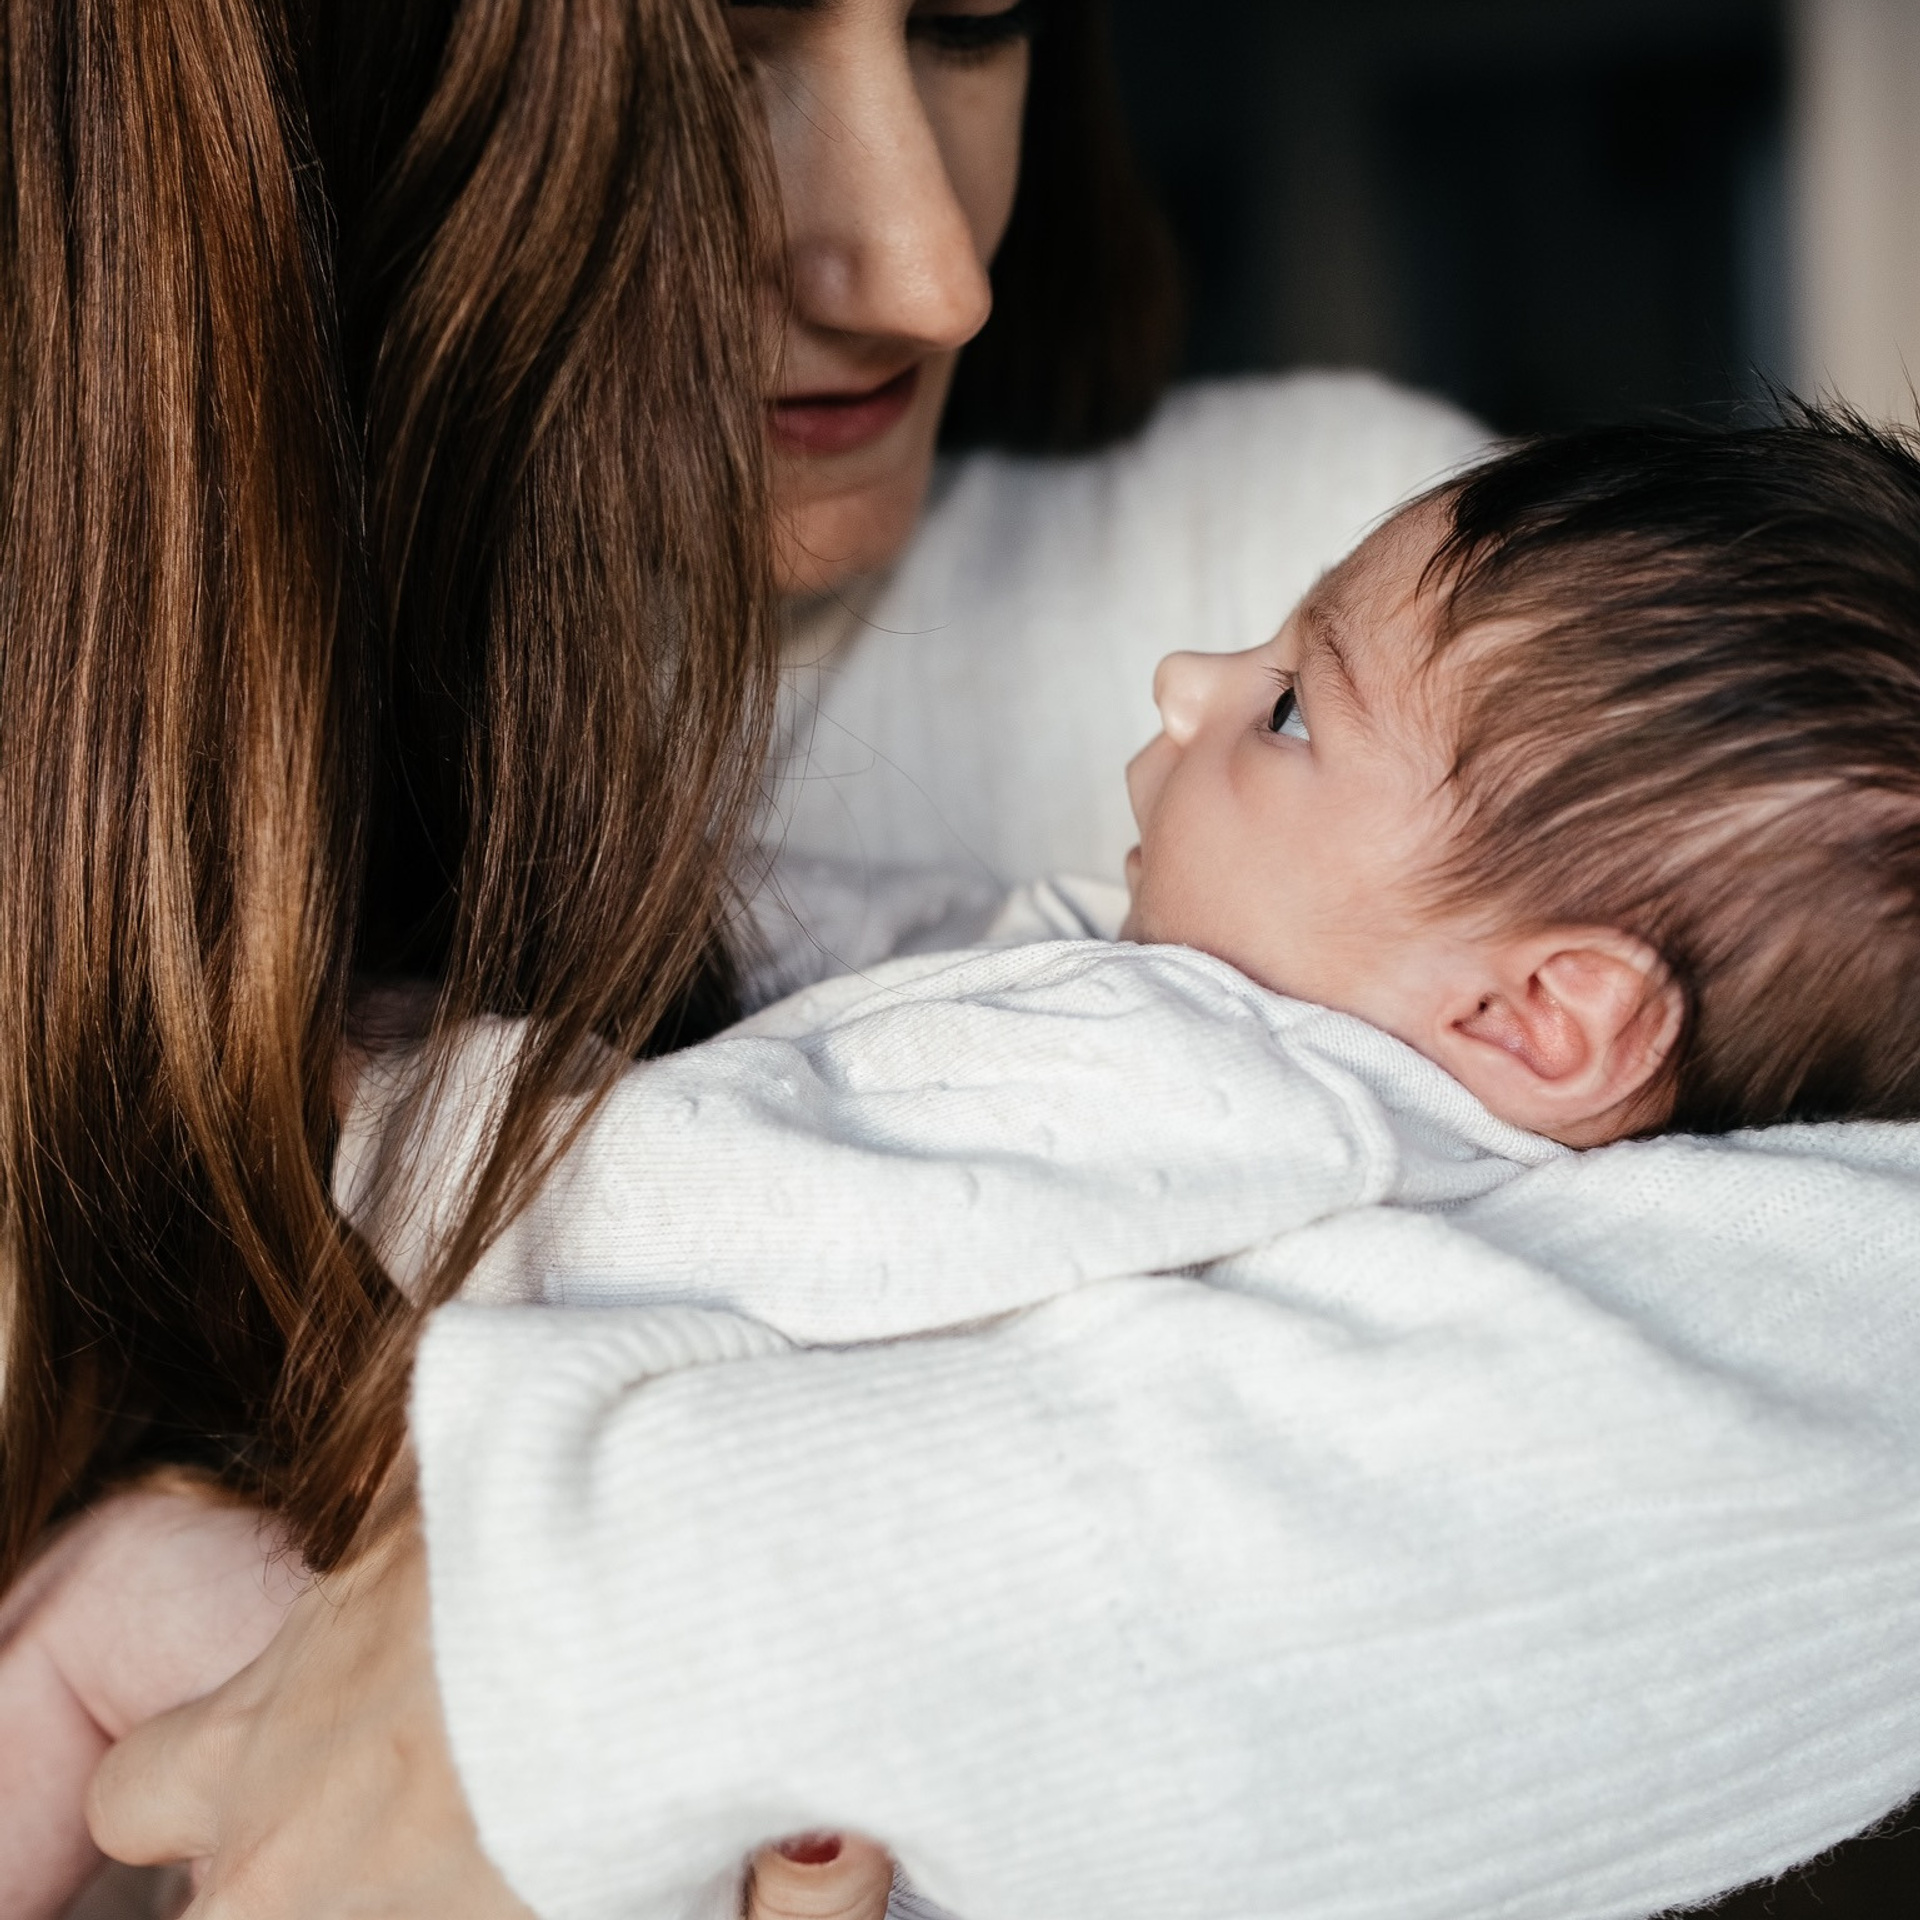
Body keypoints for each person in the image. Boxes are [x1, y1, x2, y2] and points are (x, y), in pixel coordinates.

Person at [40, 416, 1920, 1914]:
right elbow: (893, 964)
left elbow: (694, 1201)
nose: (1191, 675)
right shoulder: (1353, 1119)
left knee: (126, 1604)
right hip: (807, 1843)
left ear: (1539, 1017)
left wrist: (368, 1094)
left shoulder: (1200, 1079)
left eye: (1291, 709)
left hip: (661, 1821)